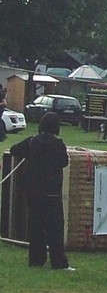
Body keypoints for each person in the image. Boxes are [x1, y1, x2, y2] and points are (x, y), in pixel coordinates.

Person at [9, 111, 74, 270]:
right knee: (55, 228)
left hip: (33, 191)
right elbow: (64, 162)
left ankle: (36, 260)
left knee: (35, 226)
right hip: (51, 192)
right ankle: (58, 262)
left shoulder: (32, 142)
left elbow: (13, 150)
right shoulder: (58, 144)